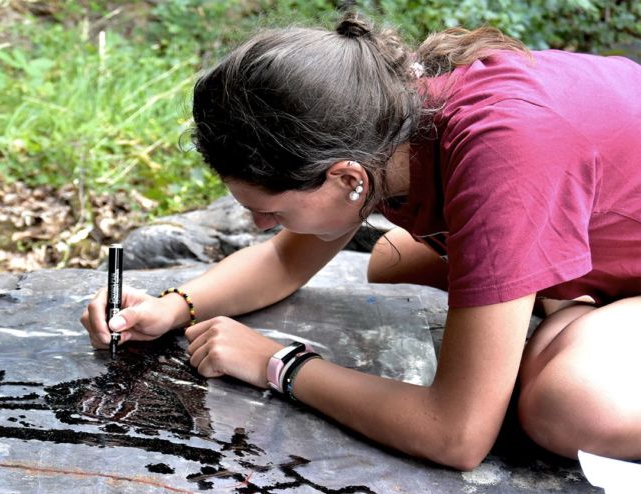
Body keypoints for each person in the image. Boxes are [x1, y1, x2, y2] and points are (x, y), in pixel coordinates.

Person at [81, 11, 641, 470]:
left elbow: (455, 434)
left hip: (562, 210)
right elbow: (284, 263)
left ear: (348, 178)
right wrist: (173, 307)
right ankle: (572, 309)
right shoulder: (374, 117)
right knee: (389, 261)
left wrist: (279, 364)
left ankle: (574, 315)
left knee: (563, 406)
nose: (258, 226)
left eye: (268, 210)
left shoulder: (504, 156)